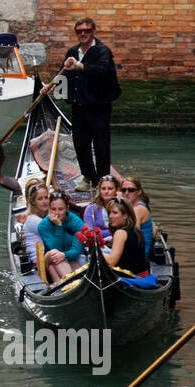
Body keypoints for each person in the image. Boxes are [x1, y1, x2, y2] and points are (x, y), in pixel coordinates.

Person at [42, 18, 121, 190]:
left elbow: (102, 71)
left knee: (101, 144)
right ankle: (88, 177)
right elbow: (62, 74)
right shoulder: (72, 51)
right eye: (79, 31)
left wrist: (79, 65)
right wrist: (49, 87)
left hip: (99, 106)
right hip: (79, 106)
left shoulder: (102, 51)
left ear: (93, 31)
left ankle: (102, 180)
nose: (83, 34)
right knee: (80, 143)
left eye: (86, 30)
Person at [102, 199, 155, 282]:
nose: (110, 216)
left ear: (125, 215)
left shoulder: (120, 233)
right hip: (142, 276)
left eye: (115, 213)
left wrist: (95, 251)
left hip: (129, 279)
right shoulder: (137, 231)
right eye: (109, 213)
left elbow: (112, 261)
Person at [37, 191, 85, 282]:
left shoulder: (76, 222)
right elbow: (55, 247)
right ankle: (71, 283)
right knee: (54, 253)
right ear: (49, 208)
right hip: (49, 258)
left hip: (70, 257)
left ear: (67, 208)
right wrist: (58, 226)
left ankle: (65, 285)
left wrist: (64, 255)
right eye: (53, 209)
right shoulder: (43, 226)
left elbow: (76, 249)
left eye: (61, 209)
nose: (57, 213)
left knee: (54, 267)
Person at [119, 176, 154, 257]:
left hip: (139, 254)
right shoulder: (132, 208)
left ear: (139, 192)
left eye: (131, 190)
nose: (126, 193)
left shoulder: (138, 209)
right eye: (124, 190)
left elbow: (132, 236)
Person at [82, 174, 121, 246]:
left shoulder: (121, 207)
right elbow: (89, 233)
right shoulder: (91, 209)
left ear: (116, 190)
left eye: (110, 189)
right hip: (99, 244)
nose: (106, 191)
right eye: (103, 189)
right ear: (99, 190)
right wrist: (111, 232)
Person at [20, 180, 50, 266]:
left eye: (46, 197)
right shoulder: (32, 220)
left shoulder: (45, 216)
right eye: (40, 199)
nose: (44, 201)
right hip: (38, 262)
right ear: (33, 202)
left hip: (47, 255)